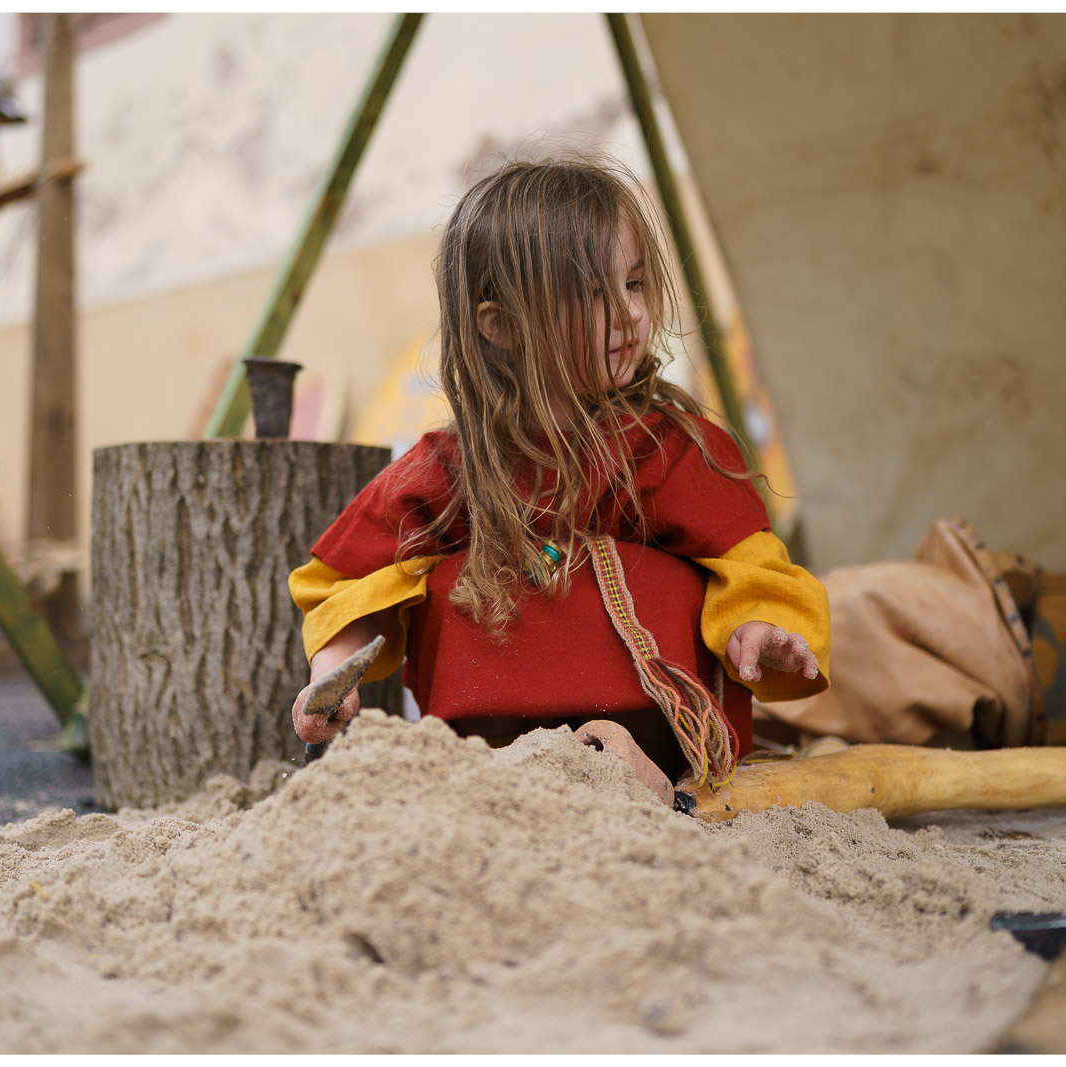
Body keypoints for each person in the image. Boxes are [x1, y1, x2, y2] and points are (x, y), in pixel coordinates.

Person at [288, 155, 830, 789]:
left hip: (662, 736)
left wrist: (756, 626)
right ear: (502, 325)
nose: (630, 314)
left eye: (634, 283)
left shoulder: (672, 446)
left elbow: (748, 564)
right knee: (453, 577)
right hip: (490, 747)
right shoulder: (455, 467)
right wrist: (332, 674)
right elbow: (351, 579)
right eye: (593, 294)